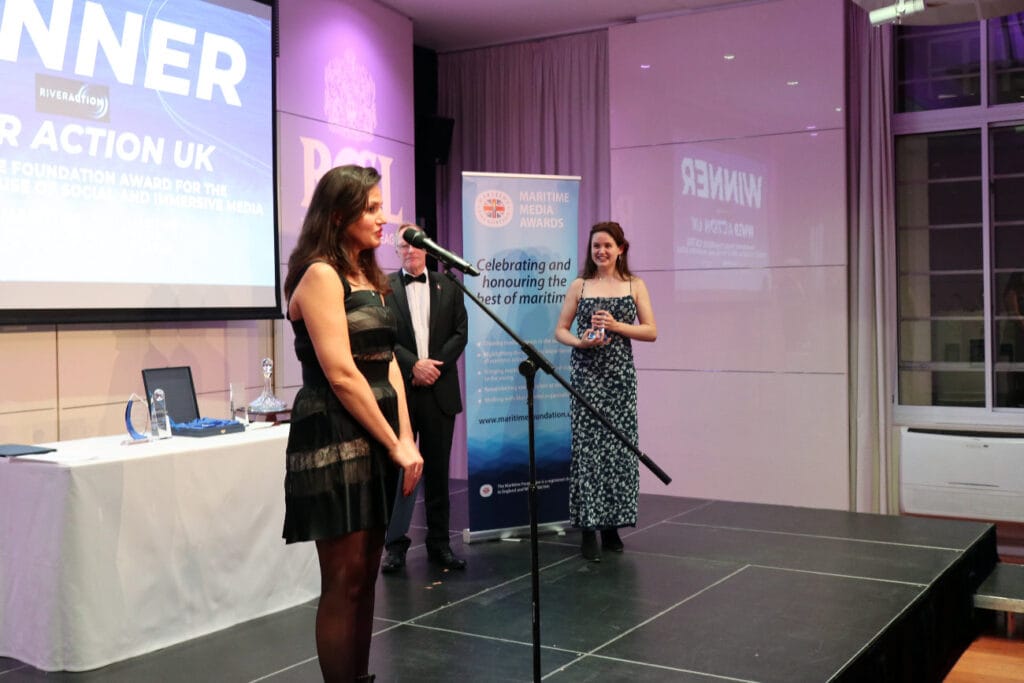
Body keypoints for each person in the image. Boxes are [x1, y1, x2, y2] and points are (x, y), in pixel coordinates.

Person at [281, 165, 423, 682]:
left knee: (365, 579)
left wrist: (405, 438)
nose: (384, 218)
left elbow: (389, 364)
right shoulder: (321, 274)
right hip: (336, 433)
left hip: (376, 434)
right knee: (343, 581)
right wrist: (394, 443)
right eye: (371, 208)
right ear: (339, 216)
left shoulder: (371, 278)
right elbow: (341, 373)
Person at [554, 221, 657, 562]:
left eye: (607, 246)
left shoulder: (634, 285)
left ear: (621, 249)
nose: (601, 251)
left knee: (617, 450)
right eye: (596, 246)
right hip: (586, 376)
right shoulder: (580, 285)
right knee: (588, 452)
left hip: (620, 379)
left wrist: (616, 326)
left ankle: (611, 526)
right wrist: (580, 341)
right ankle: (588, 528)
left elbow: (651, 331)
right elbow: (560, 330)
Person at [380, 224, 469, 572]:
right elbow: (383, 337)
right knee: (399, 471)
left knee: (438, 472)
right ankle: (395, 546)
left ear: (427, 249)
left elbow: (460, 333)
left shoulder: (449, 285)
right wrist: (413, 366)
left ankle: (440, 544)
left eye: (415, 246)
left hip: (439, 390)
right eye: (403, 246)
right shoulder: (384, 287)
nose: (410, 251)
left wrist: (432, 367)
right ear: (396, 250)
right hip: (402, 391)